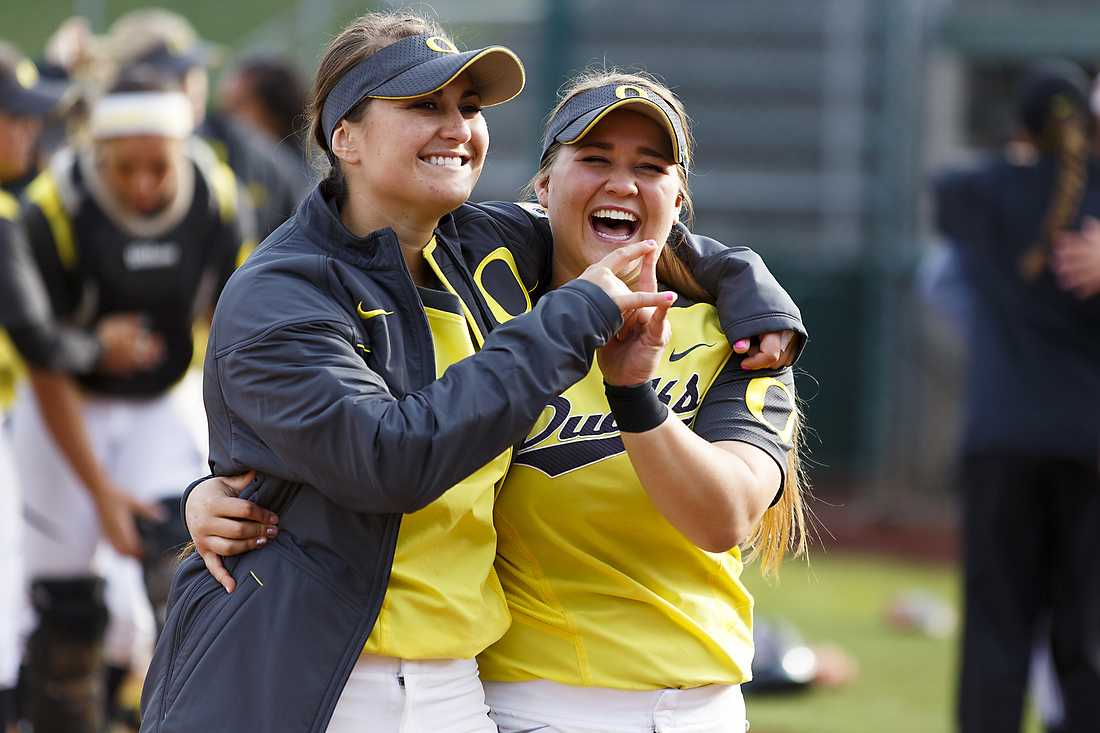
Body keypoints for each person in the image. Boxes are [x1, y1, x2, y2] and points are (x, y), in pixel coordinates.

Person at [139, 12, 804, 733]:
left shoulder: (478, 245)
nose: (456, 126)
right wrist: (209, 491)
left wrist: (748, 284)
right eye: (424, 105)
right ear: (345, 137)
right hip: (314, 675)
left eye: (470, 107)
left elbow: (633, 222)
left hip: (453, 685)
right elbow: (388, 458)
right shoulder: (282, 292)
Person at [13, 73, 251, 732]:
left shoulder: (216, 197)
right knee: (68, 614)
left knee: (183, 575)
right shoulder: (55, 206)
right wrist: (99, 490)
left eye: (158, 167)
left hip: (163, 398)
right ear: (96, 155)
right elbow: (42, 361)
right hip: (65, 405)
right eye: (125, 169)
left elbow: (238, 330)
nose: (144, 185)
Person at [933, 60, 1100, 733]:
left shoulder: (977, 193)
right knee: (1082, 636)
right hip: (1089, 443)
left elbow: (947, 194)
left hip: (1000, 439)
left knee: (994, 633)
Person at [103, 8, 310, 240]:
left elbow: (302, 211)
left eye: (193, 70)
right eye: (169, 77)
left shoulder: (240, 146)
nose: (189, 88)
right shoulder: (83, 169)